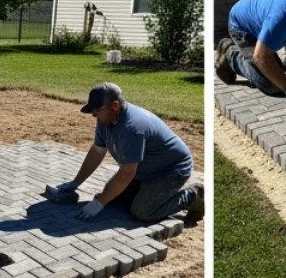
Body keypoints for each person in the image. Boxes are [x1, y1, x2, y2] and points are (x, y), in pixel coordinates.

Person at [45, 83, 202, 224]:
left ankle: (194, 195)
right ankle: (145, 192)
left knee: (142, 212)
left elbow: (126, 174)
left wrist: (100, 203)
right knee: (111, 197)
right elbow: (97, 152)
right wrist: (75, 183)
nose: (94, 116)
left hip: (171, 170)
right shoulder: (105, 122)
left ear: (115, 105)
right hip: (143, 170)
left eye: (97, 111)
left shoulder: (131, 128)